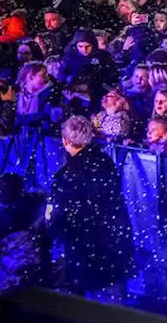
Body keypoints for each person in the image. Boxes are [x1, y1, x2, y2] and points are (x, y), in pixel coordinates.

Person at [50, 115, 135, 299]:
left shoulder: (66, 177)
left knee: (90, 303)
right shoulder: (106, 162)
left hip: (87, 248)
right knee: (113, 302)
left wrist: (51, 233)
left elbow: (62, 215)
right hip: (113, 242)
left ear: (65, 140)